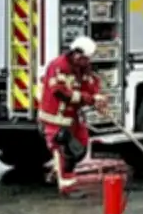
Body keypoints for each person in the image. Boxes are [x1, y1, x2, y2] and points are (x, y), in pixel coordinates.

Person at [37, 36, 107, 198]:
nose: (87, 62)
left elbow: (90, 83)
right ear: (76, 54)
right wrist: (88, 99)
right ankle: (65, 184)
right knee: (62, 146)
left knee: (80, 146)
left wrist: (98, 98)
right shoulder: (58, 66)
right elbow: (60, 92)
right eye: (85, 58)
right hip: (55, 116)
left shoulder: (82, 67)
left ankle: (58, 171)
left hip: (73, 115)